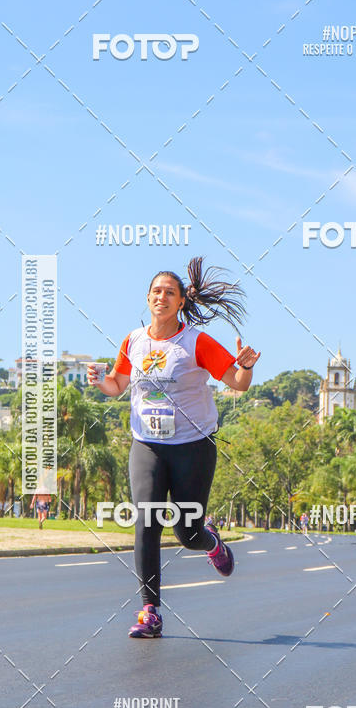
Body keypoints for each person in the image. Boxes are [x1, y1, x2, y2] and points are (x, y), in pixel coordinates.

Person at [88, 257, 260, 638]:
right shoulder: (134, 340)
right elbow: (118, 385)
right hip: (147, 444)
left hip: (193, 445)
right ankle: (150, 610)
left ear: (181, 301)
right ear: (147, 299)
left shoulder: (195, 342)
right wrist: (101, 381)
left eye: (169, 292)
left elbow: (237, 382)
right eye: (156, 292)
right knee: (146, 520)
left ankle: (210, 540)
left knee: (187, 532)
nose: (161, 297)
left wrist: (245, 367)